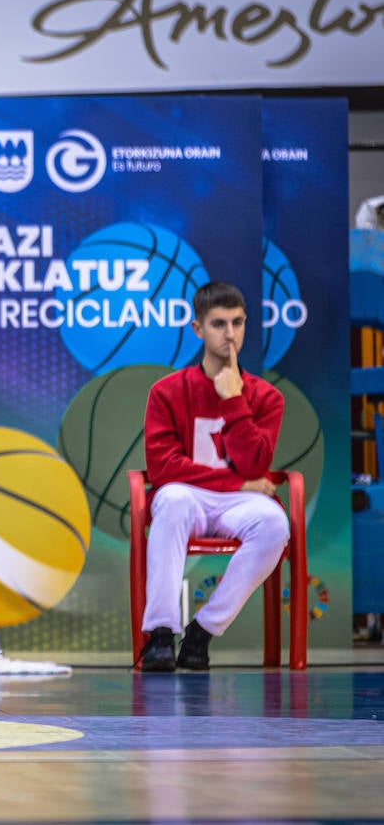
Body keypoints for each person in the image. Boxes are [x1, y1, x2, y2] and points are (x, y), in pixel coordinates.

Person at [139, 281, 289, 671]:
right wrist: (237, 483)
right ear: (197, 329)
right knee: (169, 500)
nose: (230, 334)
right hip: (189, 496)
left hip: (238, 503)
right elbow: (162, 468)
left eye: (237, 323)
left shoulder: (267, 397)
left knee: (274, 523)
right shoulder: (167, 392)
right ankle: (158, 636)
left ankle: (201, 632)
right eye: (219, 324)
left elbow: (256, 465)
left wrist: (234, 400)